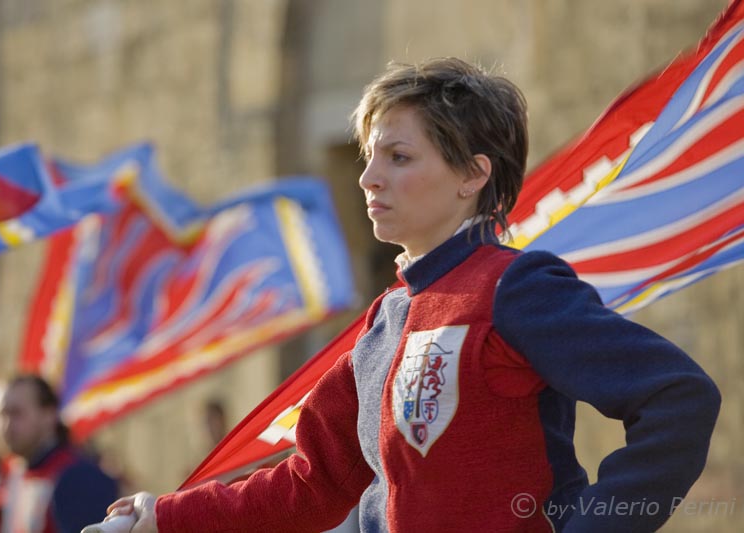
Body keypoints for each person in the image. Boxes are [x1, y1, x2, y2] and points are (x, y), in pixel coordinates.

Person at [104, 57, 721, 532]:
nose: (370, 178)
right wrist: (166, 516)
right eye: (372, 158)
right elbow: (310, 484)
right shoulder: (383, 324)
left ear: (473, 175)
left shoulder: (517, 287)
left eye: (399, 157)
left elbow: (678, 397)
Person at [0, 374, 118, 533]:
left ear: (49, 415)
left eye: (16, 413)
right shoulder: (15, 473)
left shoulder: (80, 478)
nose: (4, 425)